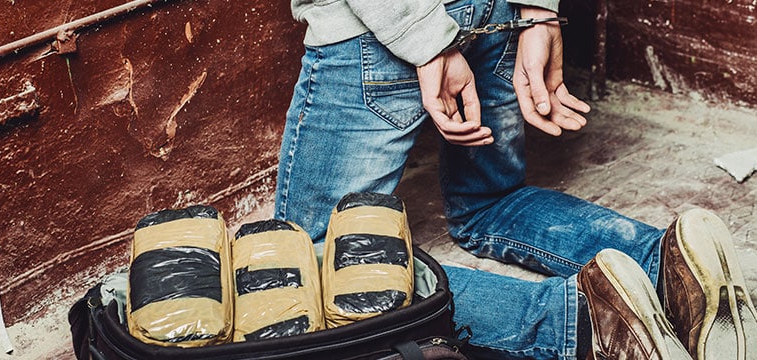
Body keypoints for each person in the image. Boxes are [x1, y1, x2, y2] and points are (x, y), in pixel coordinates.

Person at [276, 0, 757, 358]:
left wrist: (428, 40)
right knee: (490, 200)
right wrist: (539, 9)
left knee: (312, 265)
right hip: (498, 15)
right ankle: (668, 269)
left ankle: (592, 325)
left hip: (384, 22)